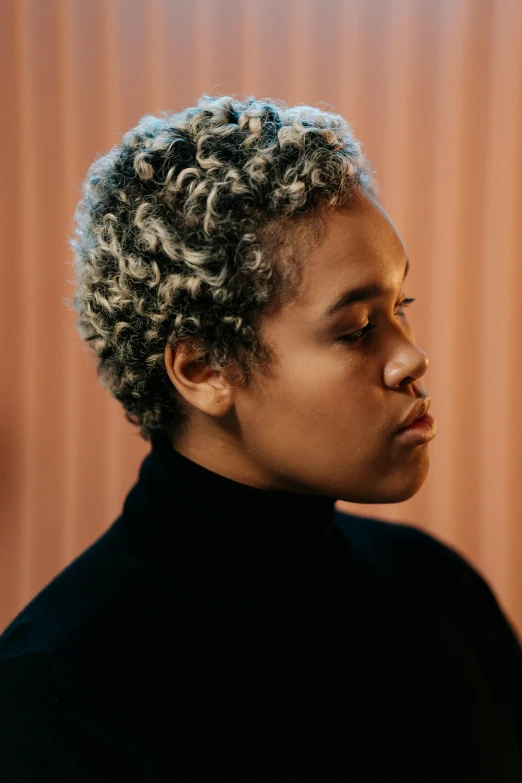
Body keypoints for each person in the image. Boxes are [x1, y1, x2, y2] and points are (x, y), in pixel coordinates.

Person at [0, 94, 520, 781]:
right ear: (204, 368)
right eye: (357, 329)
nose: (411, 359)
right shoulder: (51, 698)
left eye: (402, 309)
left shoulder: (440, 592)